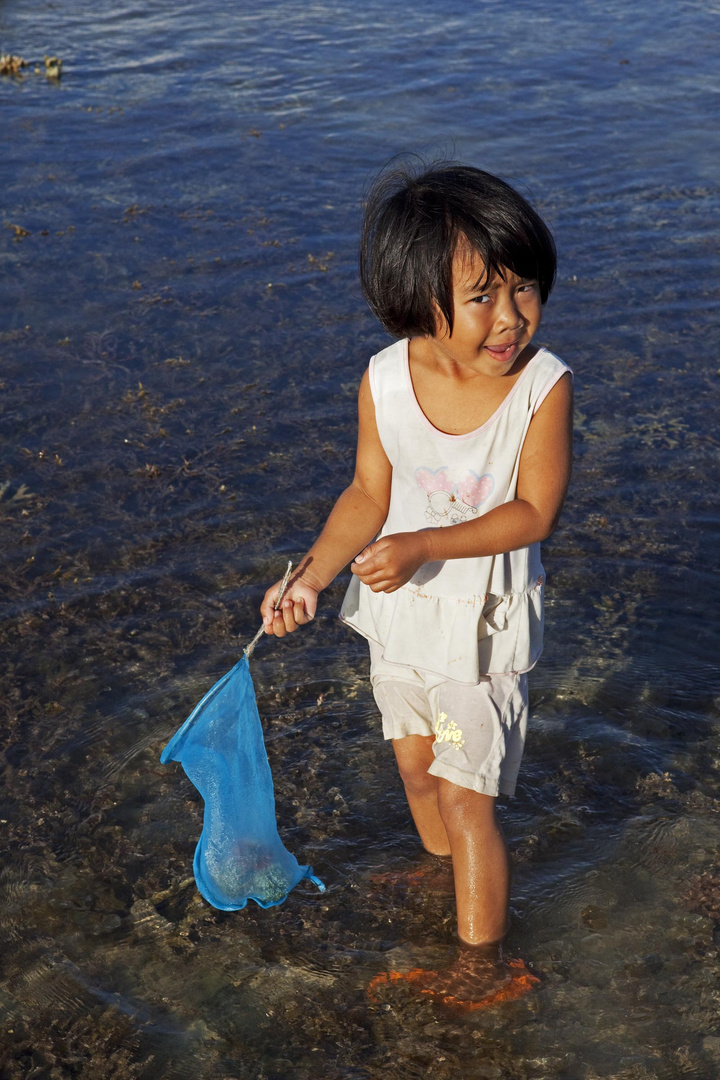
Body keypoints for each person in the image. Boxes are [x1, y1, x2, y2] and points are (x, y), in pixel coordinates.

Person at [260, 160, 573, 1007]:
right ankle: (448, 880)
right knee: (415, 768)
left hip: (479, 632)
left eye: (526, 289)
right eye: (483, 297)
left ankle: (484, 968)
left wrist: (425, 541)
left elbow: (535, 511)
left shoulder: (541, 389)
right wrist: (312, 575)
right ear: (416, 301)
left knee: (471, 802)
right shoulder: (386, 380)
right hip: (401, 621)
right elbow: (367, 493)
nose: (511, 318)